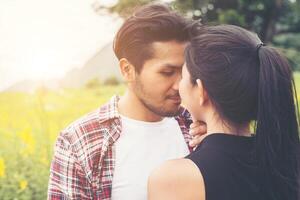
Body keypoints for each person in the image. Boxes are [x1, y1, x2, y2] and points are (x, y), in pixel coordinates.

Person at [47, 4, 206, 200]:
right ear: (127, 70)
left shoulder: (199, 126)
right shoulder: (80, 141)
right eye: (167, 73)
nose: (180, 84)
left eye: (185, 72)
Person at [148, 24, 300, 200]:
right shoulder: (286, 159)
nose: (178, 86)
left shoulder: (173, 179)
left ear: (201, 90)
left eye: (183, 76)